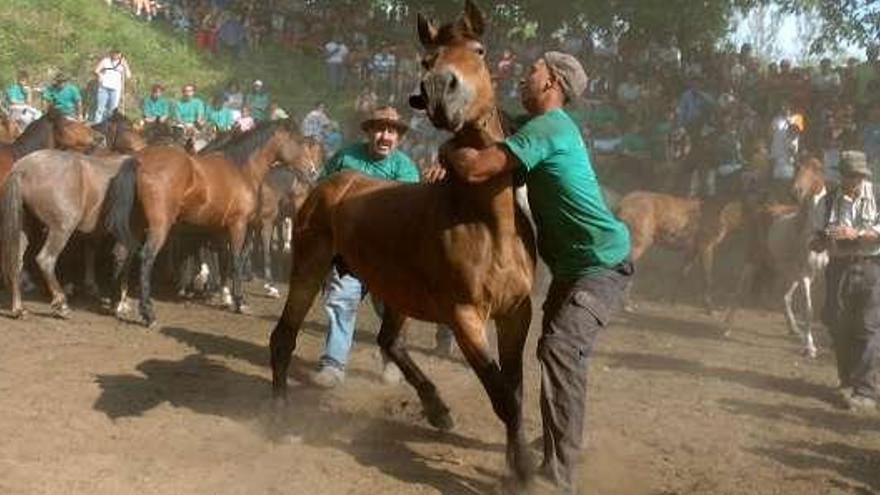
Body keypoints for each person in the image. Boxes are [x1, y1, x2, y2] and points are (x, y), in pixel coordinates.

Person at [433, 51, 632, 492]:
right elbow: (491, 119)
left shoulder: (550, 127)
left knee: (560, 352)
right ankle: (563, 441)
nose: (524, 77)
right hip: (571, 268)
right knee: (555, 351)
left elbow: (478, 167)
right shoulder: (534, 125)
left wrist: (446, 149)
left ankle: (559, 477)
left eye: (532, 71)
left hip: (602, 265)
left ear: (552, 83)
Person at [310, 106, 421, 389]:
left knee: (393, 310)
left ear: (399, 138)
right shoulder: (345, 157)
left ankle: (392, 359)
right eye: (380, 129)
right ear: (369, 132)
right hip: (349, 253)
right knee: (341, 303)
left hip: (389, 257)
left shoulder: (405, 167)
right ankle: (333, 365)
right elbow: (320, 192)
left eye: (392, 131)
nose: (385, 136)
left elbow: (408, 216)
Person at [812, 151, 880, 413]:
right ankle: (847, 381)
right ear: (842, 176)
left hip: (871, 266)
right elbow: (815, 240)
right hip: (839, 267)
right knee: (837, 323)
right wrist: (822, 240)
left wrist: (857, 233)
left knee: (868, 327)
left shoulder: (876, 196)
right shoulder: (828, 201)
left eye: (860, 176)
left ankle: (865, 390)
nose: (856, 180)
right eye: (851, 175)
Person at [93, 49, 132, 123]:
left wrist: (125, 66)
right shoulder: (105, 61)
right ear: (111, 53)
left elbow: (128, 76)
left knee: (112, 110)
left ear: (120, 54)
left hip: (115, 89)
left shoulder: (122, 63)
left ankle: (108, 126)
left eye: (118, 53)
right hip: (104, 88)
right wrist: (99, 75)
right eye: (114, 53)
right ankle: (97, 125)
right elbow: (96, 70)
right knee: (100, 109)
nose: (116, 55)